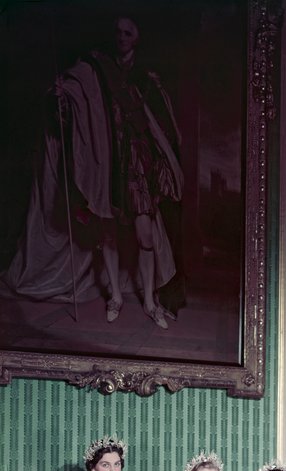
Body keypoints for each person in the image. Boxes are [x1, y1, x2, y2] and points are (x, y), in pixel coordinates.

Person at [3, 15, 182, 326]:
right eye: (118, 32)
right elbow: (72, 92)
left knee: (146, 236)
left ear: (136, 38)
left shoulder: (144, 74)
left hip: (137, 163)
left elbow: (159, 121)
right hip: (107, 161)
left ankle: (150, 302)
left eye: (128, 33)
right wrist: (59, 95)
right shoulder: (95, 65)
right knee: (108, 235)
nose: (121, 37)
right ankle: (114, 296)